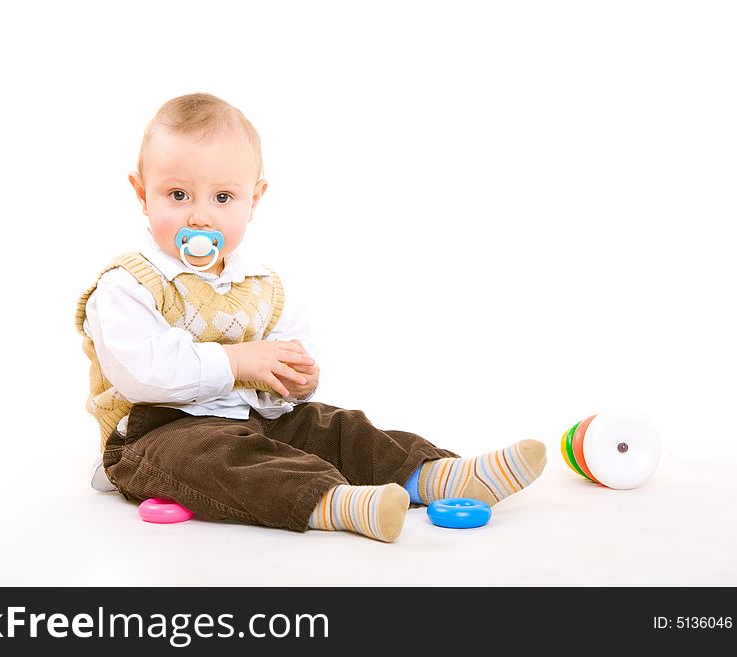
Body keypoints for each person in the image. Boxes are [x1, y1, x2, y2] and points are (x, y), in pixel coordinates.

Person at [75, 93, 546, 542]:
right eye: (177, 195)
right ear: (141, 192)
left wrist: (293, 380)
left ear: (253, 200)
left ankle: (433, 474)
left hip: (253, 417)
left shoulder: (262, 286)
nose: (200, 216)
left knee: (333, 425)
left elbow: (288, 356)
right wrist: (239, 362)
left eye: (223, 198)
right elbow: (144, 374)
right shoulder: (128, 284)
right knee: (218, 458)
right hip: (154, 434)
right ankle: (334, 503)